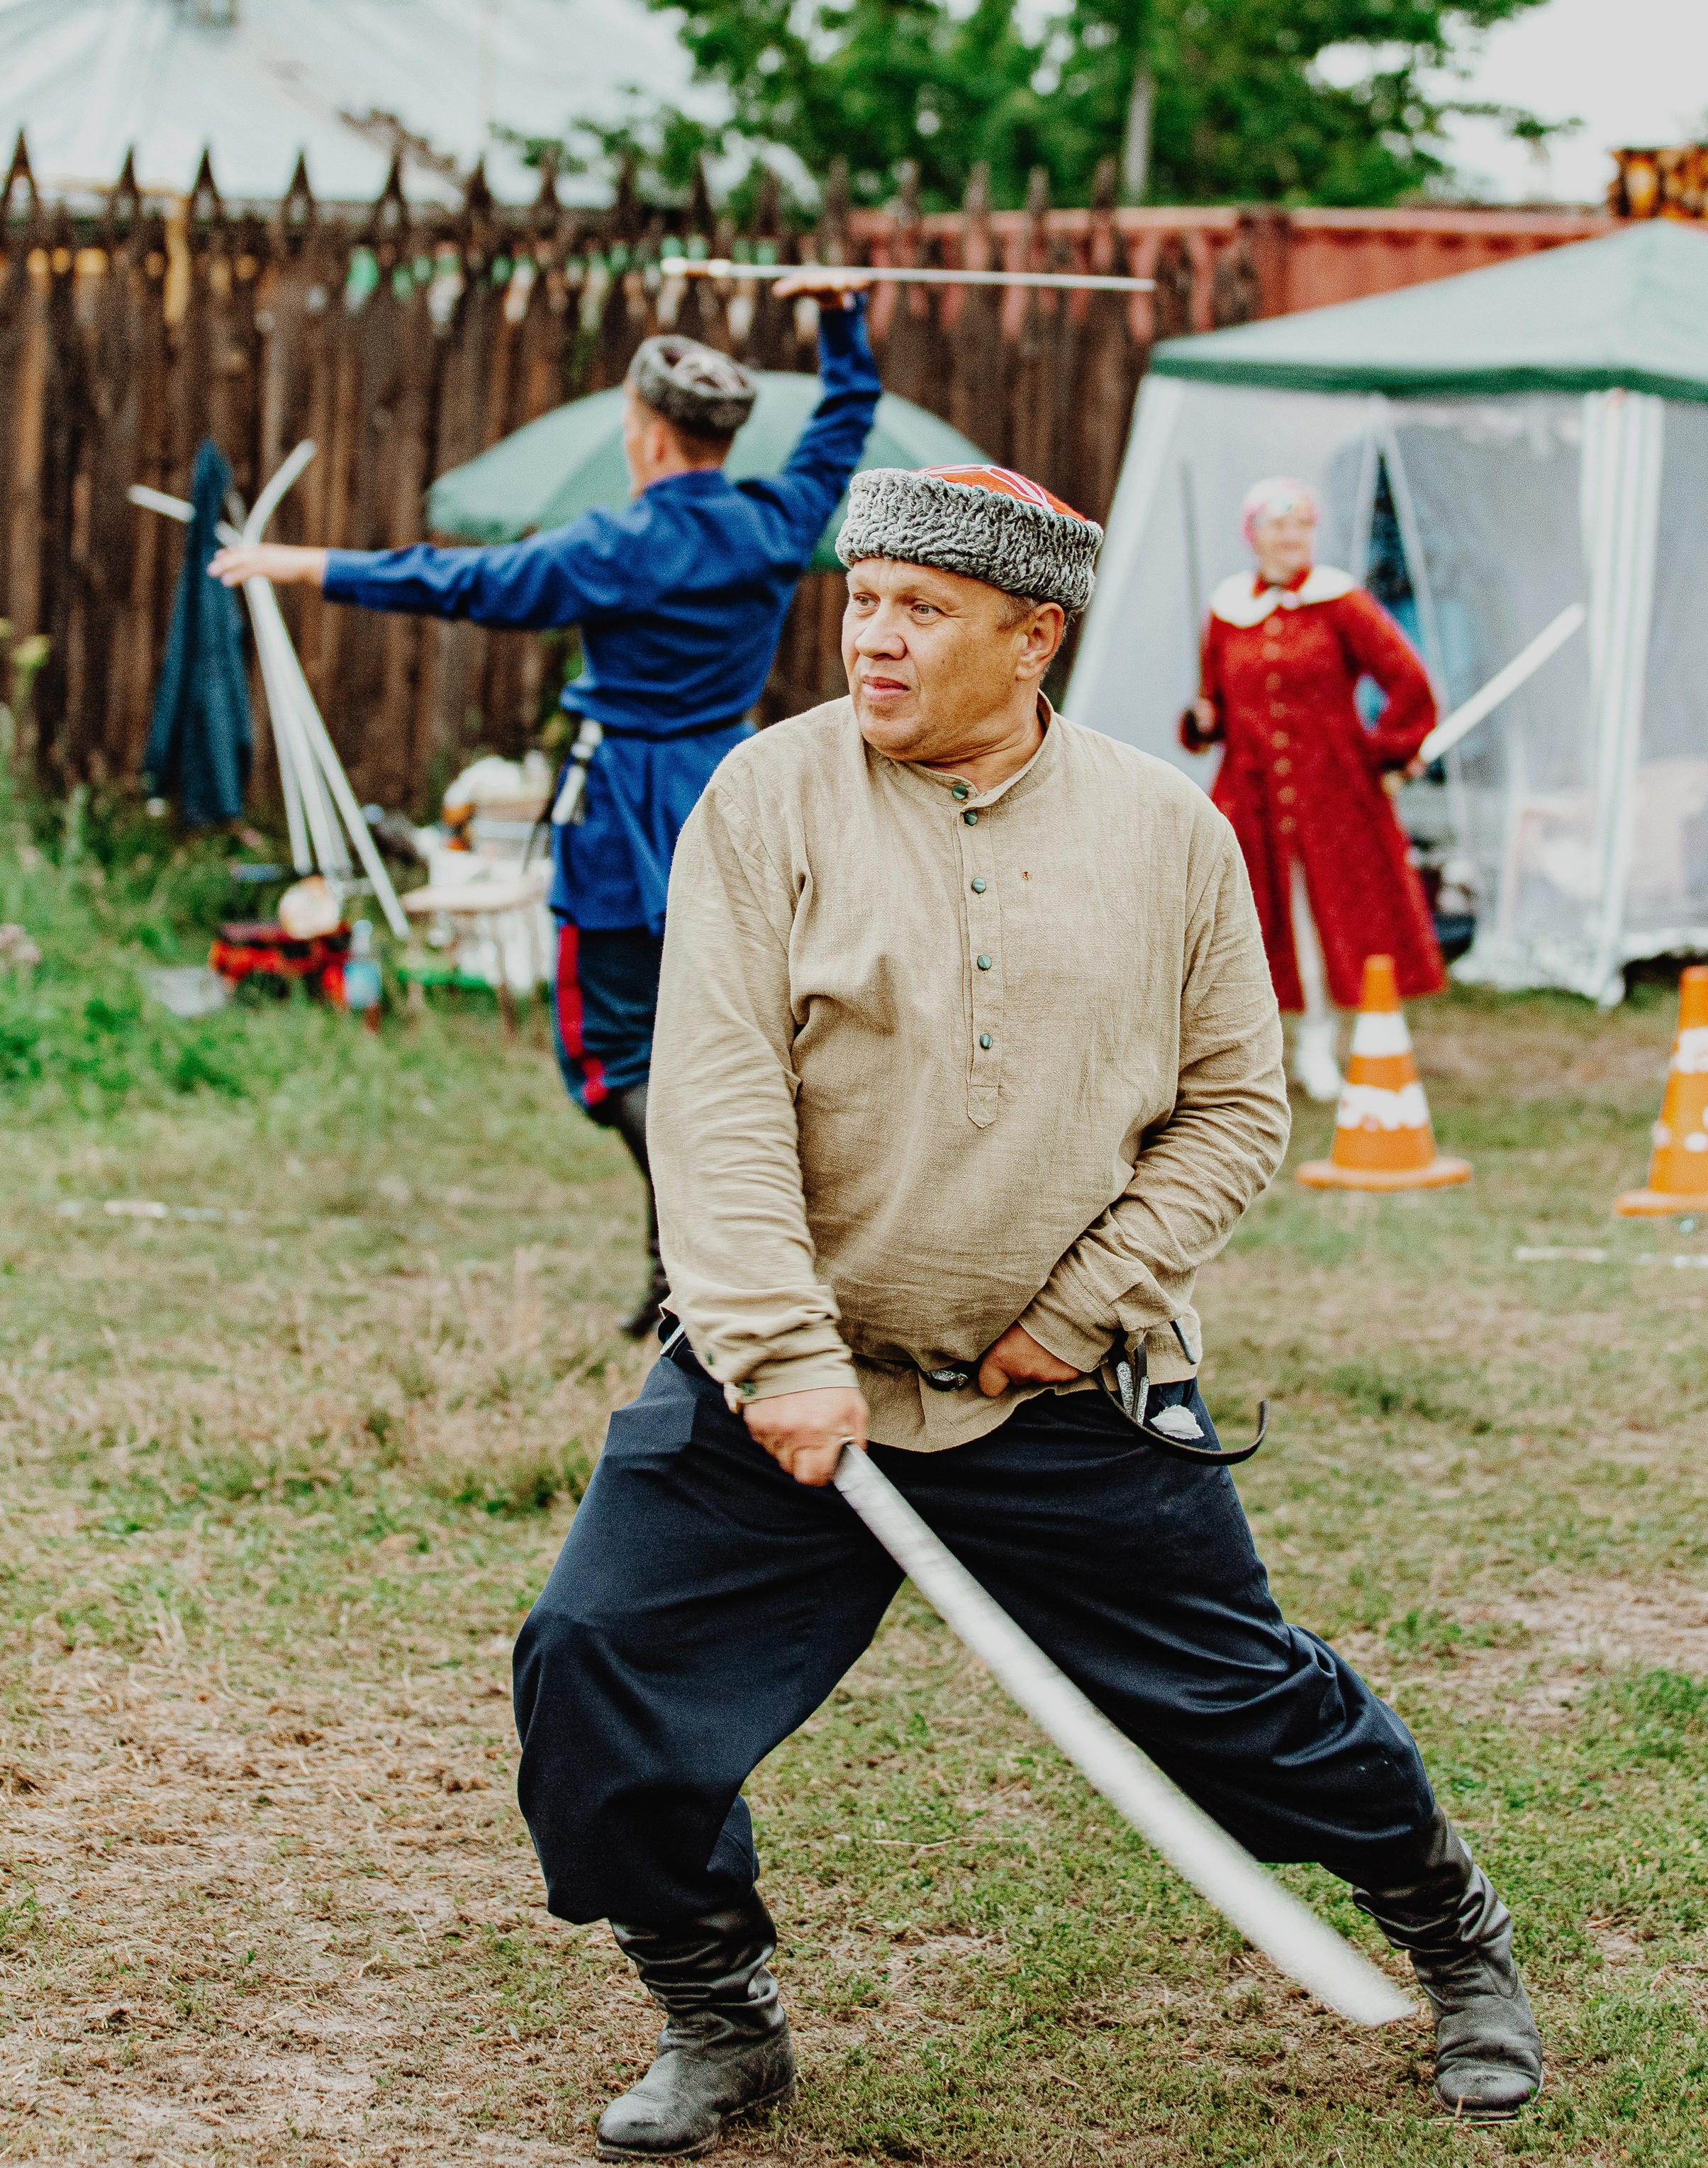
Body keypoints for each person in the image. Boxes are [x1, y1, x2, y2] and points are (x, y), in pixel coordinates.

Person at [512, 461, 1544, 2159]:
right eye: (860, 601)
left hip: (1063, 1392)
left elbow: (1234, 1109)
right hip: (790, 1383)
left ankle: (1450, 1932)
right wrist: (776, 1355)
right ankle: (715, 2009)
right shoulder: (765, 800)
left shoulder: (1166, 833)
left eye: (921, 610)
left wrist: (1076, 1313)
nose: (873, 638)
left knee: (1250, 1713)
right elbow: (712, 1103)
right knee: (595, 1665)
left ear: (1032, 635)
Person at [211, 275, 880, 1335]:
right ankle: (681, 1271)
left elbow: (462, 583)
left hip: (621, 813)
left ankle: (711, 1243)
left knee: (610, 1053)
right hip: (736, 803)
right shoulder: (775, 520)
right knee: (720, 1037)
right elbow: (842, 427)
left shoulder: (613, 547)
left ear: (646, 435)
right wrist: (841, 320)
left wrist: (308, 565)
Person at [1181, 475, 1444, 1104]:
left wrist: (1387, 752)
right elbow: (1215, 705)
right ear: (1254, 536)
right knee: (1265, 921)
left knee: (1344, 915)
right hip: (1252, 797)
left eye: (1302, 523)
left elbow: (1408, 681)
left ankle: (1348, 1040)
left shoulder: (1340, 602)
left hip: (1335, 793)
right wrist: (1202, 720)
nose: (1292, 536)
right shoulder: (1227, 611)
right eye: (1279, 524)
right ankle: (1273, 1048)